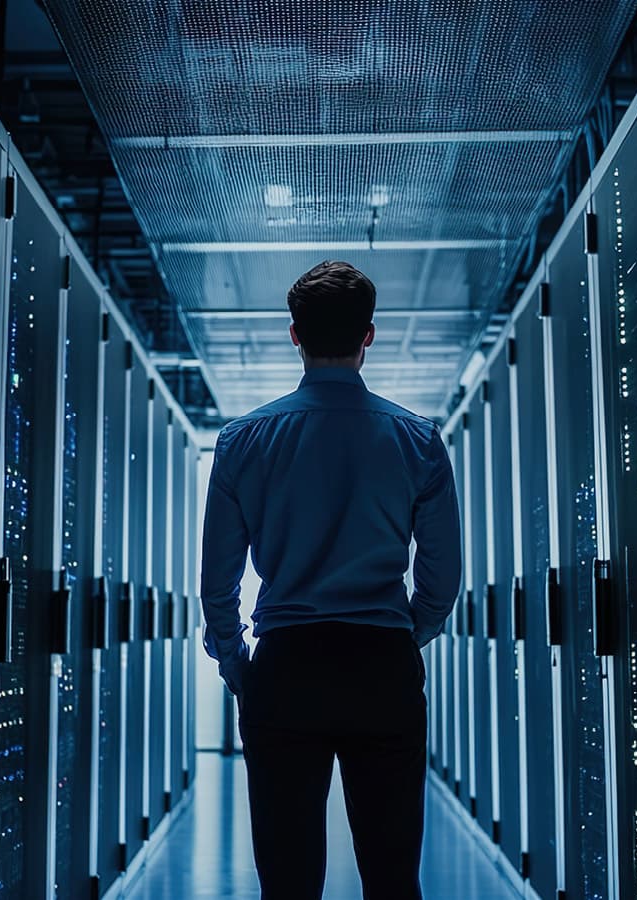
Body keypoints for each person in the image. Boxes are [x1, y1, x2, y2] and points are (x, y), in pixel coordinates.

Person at [198, 260, 463, 899]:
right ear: (368, 335)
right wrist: (403, 636)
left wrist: (239, 665)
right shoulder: (419, 441)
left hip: (286, 671)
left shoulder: (242, 442)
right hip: (381, 670)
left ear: (295, 334)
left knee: (287, 884)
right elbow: (441, 580)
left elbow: (218, 585)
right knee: (393, 877)